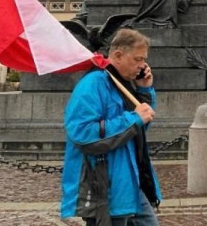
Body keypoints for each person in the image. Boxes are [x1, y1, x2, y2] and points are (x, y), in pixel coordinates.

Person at [61, 29, 161, 225]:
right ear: (117, 55)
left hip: (129, 181)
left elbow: (137, 132)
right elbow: (81, 132)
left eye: (144, 60)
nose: (142, 66)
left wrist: (144, 90)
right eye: (137, 59)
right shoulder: (93, 83)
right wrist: (134, 119)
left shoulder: (122, 83)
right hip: (105, 186)